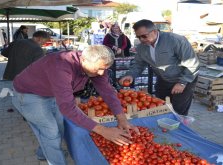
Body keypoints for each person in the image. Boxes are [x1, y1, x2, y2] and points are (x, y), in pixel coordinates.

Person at [12, 45, 140, 164]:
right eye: (99, 69)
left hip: (51, 92)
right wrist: (103, 131)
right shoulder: (61, 66)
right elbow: (67, 108)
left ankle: (45, 152)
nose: (101, 73)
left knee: (59, 128)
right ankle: (56, 160)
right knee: (50, 131)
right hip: (29, 94)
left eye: (105, 69)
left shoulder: (97, 64)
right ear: (83, 60)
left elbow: (107, 91)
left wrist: (122, 119)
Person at [119, 19, 200, 116]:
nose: (141, 40)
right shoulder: (142, 47)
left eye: (144, 36)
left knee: (178, 111)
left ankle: (178, 128)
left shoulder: (175, 40)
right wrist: (131, 75)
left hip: (184, 79)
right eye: (138, 37)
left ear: (154, 31)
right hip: (163, 79)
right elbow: (138, 64)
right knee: (160, 107)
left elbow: (192, 63)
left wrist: (182, 83)